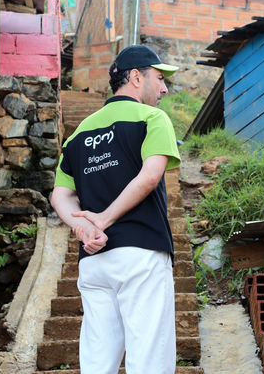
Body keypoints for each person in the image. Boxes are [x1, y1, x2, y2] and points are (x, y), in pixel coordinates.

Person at [50, 44, 181, 374]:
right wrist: (104, 220)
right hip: (141, 255)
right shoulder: (152, 118)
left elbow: (60, 196)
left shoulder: (79, 134)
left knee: (97, 362)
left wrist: (84, 228)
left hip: (95, 263)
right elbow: (151, 176)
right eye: (159, 78)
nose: (164, 88)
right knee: (149, 359)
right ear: (136, 77)